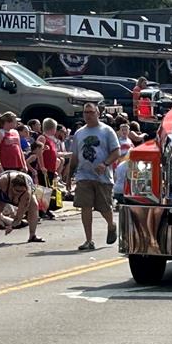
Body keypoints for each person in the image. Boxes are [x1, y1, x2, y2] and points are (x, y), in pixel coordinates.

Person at [69, 102, 121, 251]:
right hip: (83, 175)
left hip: (102, 176)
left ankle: (111, 225)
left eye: (91, 112)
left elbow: (116, 152)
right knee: (85, 206)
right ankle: (88, 240)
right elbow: (74, 156)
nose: (88, 115)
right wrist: (69, 175)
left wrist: (105, 164)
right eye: (86, 113)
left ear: (98, 113)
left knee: (104, 207)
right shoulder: (79, 133)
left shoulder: (106, 131)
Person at [0, 171, 43, 243]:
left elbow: (20, 214)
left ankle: (32, 235)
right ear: (12, 186)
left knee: (34, 205)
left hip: (25, 192)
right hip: (5, 190)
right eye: (17, 190)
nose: (19, 193)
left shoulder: (26, 194)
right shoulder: (3, 181)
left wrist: (12, 226)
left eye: (21, 191)